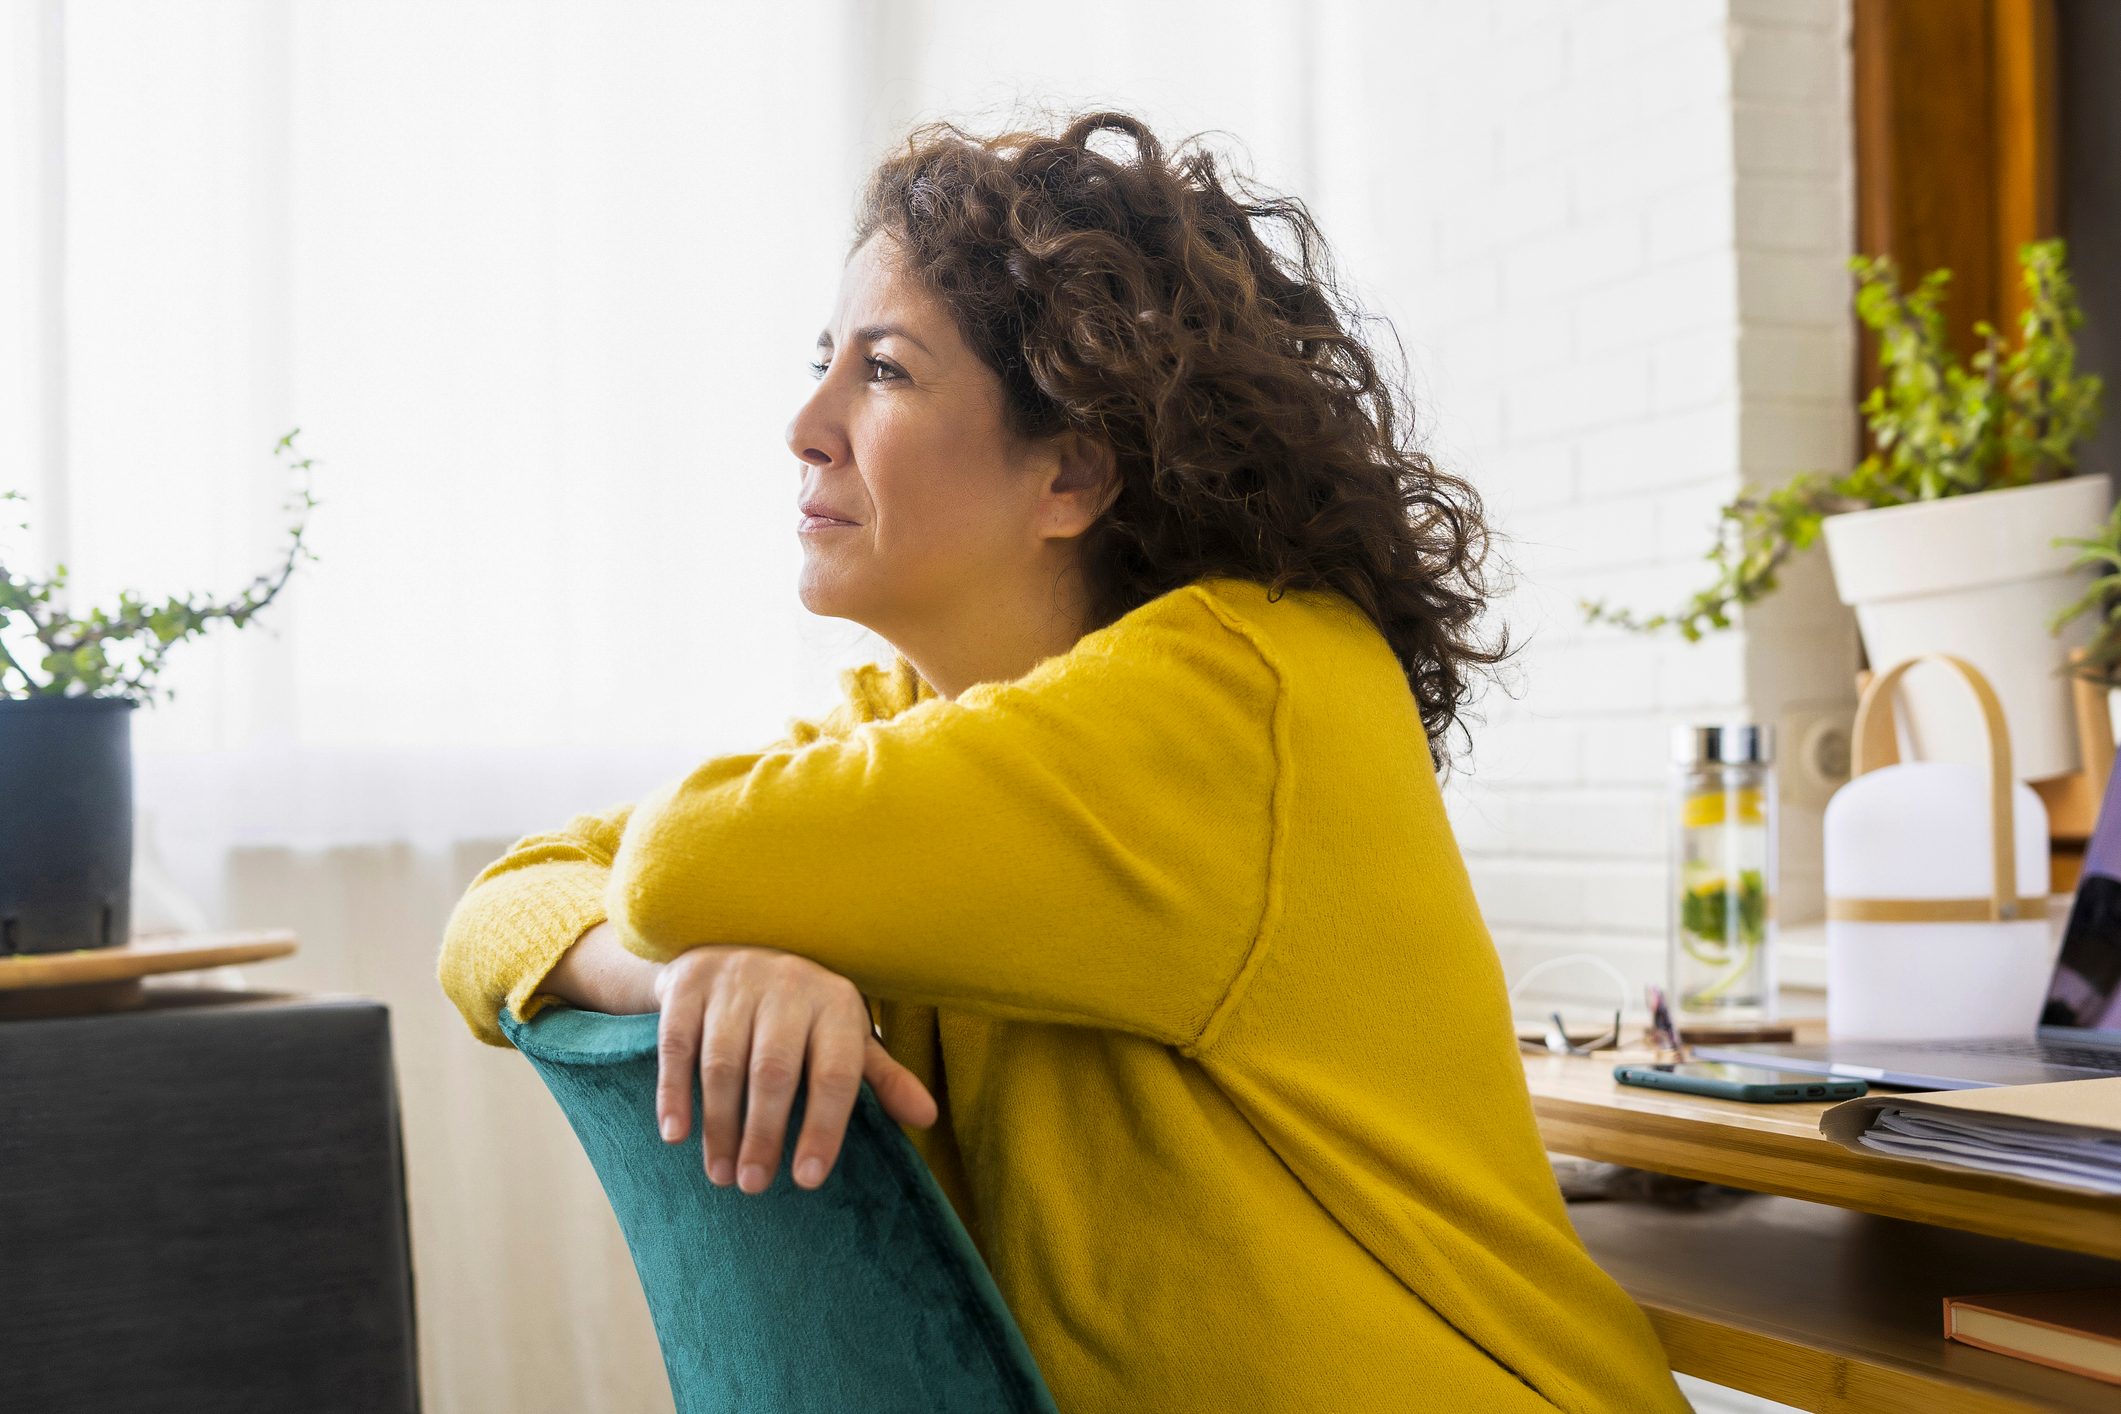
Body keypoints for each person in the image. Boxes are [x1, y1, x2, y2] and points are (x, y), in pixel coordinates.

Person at [437, 108, 1690, 1413]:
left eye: (884, 372)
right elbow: (499, 906)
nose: (805, 424)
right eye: (825, 360)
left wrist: (693, 915)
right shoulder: (908, 739)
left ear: (1071, 474)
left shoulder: (1244, 690)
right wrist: (690, 965)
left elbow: (678, 857)